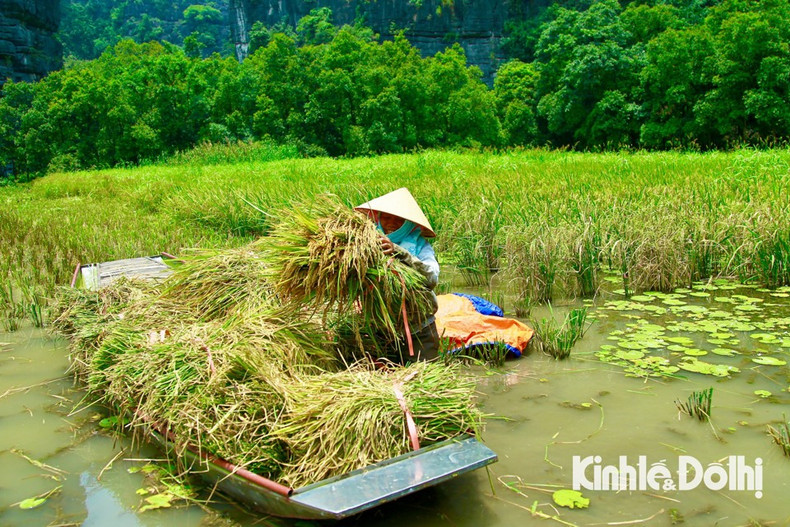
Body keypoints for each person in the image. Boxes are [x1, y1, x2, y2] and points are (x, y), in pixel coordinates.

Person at [355, 188, 440, 360]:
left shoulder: (419, 246)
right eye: (386, 217)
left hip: (418, 329)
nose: (391, 223)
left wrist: (398, 252)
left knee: (423, 378)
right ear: (378, 218)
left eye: (399, 219)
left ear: (408, 223)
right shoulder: (364, 245)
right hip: (378, 329)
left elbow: (432, 277)